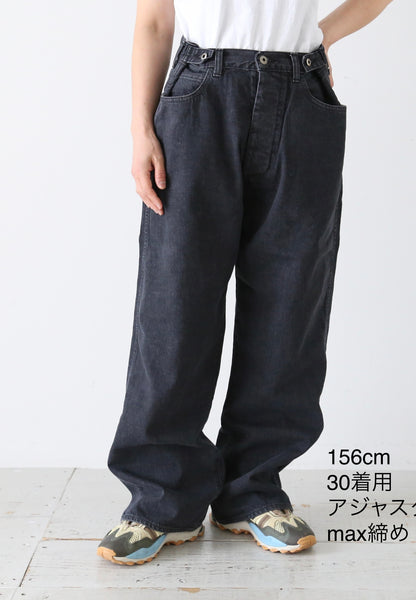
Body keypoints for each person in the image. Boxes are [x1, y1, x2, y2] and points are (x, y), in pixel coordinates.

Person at [97, 0, 394, 565]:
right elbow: (155, 20)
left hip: (301, 92)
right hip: (198, 93)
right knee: (175, 299)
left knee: (291, 298)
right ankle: (160, 499)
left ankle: (253, 489)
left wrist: (322, 36)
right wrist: (140, 127)